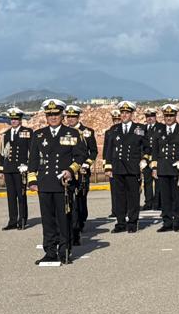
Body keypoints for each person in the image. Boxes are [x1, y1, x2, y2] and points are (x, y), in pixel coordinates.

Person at [27, 99, 88, 265]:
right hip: (45, 183)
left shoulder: (73, 133)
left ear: (62, 115)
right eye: (49, 114)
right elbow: (32, 159)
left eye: (56, 114)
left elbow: (80, 156)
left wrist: (70, 170)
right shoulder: (39, 134)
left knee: (63, 219)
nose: (53, 117)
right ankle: (50, 251)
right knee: (47, 220)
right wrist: (32, 179)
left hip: (63, 184)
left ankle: (64, 251)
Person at [103, 101, 147, 233]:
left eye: (127, 113)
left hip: (132, 168)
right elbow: (109, 151)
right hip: (118, 168)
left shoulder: (139, 129)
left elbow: (147, 148)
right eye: (122, 113)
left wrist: (144, 159)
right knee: (119, 197)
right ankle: (120, 222)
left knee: (133, 196)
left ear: (131, 114)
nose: (124, 115)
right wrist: (108, 167)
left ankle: (133, 222)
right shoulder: (114, 130)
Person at [151, 104, 179, 232]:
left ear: (175, 116)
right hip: (163, 168)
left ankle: (177, 222)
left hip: (177, 169)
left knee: (177, 197)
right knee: (165, 197)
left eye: (171, 115)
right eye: (166, 116)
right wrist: (154, 168)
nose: (168, 118)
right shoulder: (159, 131)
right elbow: (155, 151)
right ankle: (167, 222)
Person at [63, 104, 97, 242]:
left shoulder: (87, 132)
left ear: (78, 117)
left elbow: (93, 151)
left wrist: (86, 164)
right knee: (69, 202)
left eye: (73, 117)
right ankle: (73, 228)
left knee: (80, 201)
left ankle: (80, 223)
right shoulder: (64, 131)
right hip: (68, 172)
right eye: (68, 117)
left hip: (81, 172)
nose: (70, 119)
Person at [0, 107, 31, 230]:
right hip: (8, 169)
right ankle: (12, 221)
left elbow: (32, 151)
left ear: (20, 120)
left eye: (16, 119)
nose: (14, 121)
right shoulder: (6, 134)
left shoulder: (27, 132)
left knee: (21, 195)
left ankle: (22, 220)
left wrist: (28, 166)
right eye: (12, 119)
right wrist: (1, 169)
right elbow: (2, 152)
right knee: (11, 196)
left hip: (21, 169)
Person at [142, 107, 161, 210]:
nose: (150, 118)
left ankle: (158, 202)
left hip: (157, 159)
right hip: (146, 159)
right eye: (148, 117)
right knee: (147, 182)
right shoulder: (143, 129)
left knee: (158, 181)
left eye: (151, 116)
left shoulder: (161, 127)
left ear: (155, 117)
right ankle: (148, 202)